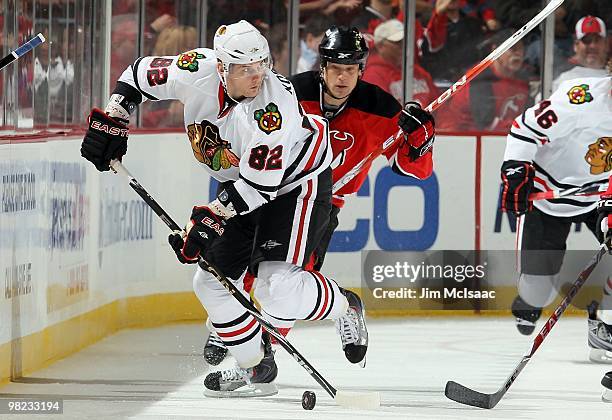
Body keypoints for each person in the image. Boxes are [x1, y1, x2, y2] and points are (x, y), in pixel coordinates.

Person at [80, 20, 375, 397]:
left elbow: (260, 187)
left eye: (261, 65)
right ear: (221, 66)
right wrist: (114, 119)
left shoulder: (273, 109)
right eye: (243, 68)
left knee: (276, 286)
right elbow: (136, 75)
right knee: (210, 283)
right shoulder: (194, 69)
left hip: (295, 184)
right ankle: (257, 366)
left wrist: (209, 220)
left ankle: (345, 305)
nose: (256, 76)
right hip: (242, 184)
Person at [202, 25, 436, 366]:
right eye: (336, 68)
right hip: (264, 189)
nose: (343, 78)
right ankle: (227, 324)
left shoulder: (382, 108)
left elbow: (415, 170)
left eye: (351, 70)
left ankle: (263, 357)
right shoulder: (289, 92)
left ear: (361, 70)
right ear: (322, 67)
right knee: (236, 266)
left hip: (317, 201)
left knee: (285, 283)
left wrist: (422, 139)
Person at [500, 71, 612, 363]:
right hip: (550, 196)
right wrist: (516, 171)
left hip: (602, 194)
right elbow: (525, 130)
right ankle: (531, 299)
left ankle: (604, 324)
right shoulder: (581, 98)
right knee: (538, 293)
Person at [436, 28, 529, 132]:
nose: (518, 53)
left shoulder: (522, 79)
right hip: (462, 138)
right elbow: (486, 123)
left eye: (521, 48)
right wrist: (525, 130)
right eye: (512, 48)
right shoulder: (480, 77)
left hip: (494, 139)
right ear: (496, 50)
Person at [362, 19, 439, 107]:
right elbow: (380, 114)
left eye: (405, 41)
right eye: (397, 42)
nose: (403, 46)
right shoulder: (373, 76)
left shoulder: (416, 71)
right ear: (380, 46)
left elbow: (440, 105)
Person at [552, 16, 609, 92]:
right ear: (576, 45)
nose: (593, 46)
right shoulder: (564, 80)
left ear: (605, 44)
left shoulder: (610, 77)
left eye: (597, 40)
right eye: (587, 40)